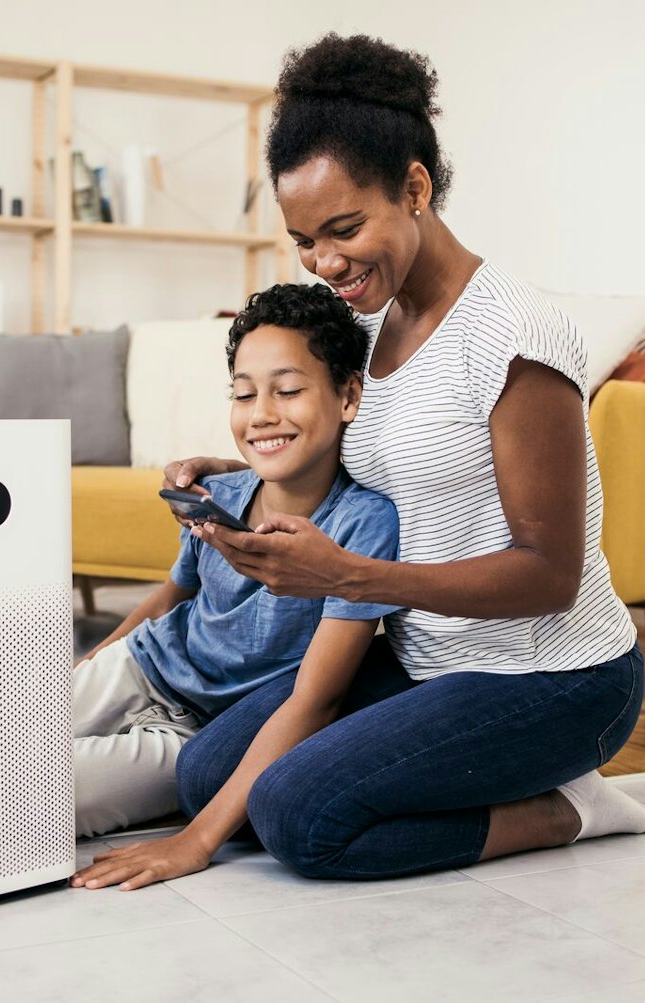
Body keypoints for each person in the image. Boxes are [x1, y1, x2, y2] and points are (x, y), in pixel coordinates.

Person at [83, 33, 645, 890]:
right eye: (304, 239)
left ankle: (566, 808)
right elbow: (338, 441)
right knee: (208, 772)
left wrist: (351, 578)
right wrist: (227, 466)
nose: (326, 264)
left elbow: (550, 575)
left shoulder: (516, 341)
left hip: (551, 676)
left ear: (416, 186)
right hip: (424, 655)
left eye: (345, 228)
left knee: (298, 820)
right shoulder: (363, 326)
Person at [66, 282, 400, 868]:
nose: (262, 414)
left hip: (195, 735)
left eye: (289, 390)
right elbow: (173, 597)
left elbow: (317, 698)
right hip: (140, 668)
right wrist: (87, 670)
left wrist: (196, 843)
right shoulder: (216, 493)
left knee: (24, 795)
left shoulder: (364, 526)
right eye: (243, 396)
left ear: (348, 395)